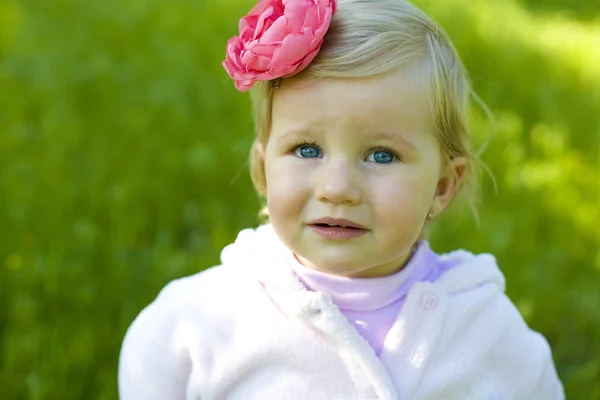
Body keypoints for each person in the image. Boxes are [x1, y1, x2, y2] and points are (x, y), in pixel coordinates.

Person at [118, 0, 565, 398]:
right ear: (262, 171)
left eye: (381, 155)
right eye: (307, 150)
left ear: (443, 186)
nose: (337, 187)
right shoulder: (199, 324)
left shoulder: (485, 329)